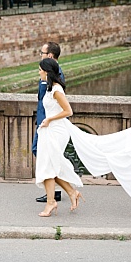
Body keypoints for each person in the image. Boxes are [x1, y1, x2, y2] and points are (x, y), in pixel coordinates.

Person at [34, 58, 83, 217]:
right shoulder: (49, 88)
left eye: (40, 69)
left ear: (47, 72)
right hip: (49, 130)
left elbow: (68, 111)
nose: (39, 72)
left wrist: (49, 119)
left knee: (49, 166)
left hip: (57, 130)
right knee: (49, 166)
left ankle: (51, 202)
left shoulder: (56, 90)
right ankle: (70, 192)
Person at [35, 42, 64, 204]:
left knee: (49, 158)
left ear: (50, 56)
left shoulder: (55, 78)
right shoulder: (46, 74)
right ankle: (55, 191)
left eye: (42, 53)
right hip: (43, 123)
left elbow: (64, 108)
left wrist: (48, 120)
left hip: (50, 125)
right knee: (43, 155)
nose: (40, 55)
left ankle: (56, 192)